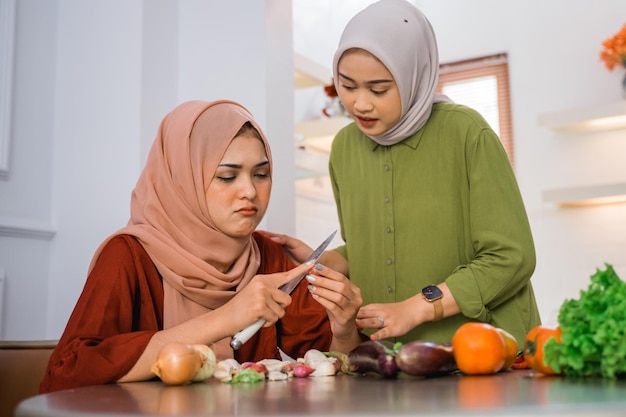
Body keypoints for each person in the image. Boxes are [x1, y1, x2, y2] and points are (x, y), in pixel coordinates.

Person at [40, 100, 364, 393]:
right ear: (182, 179)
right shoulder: (129, 255)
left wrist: (345, 328)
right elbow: (69, 371)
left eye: (261, 174)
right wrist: (226, 318)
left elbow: (332, 364)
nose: (249, 191)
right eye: (227, 176)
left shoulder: (268, 254)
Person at [267, 0, 540, 347]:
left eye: (378, 89)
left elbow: (511, 257)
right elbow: (372, 245)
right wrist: (323, 263)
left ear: (414, 76)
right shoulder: (345, 147)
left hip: (483, 350)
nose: (360, 104)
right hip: (391, 357)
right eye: (347, 87)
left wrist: (415, 308)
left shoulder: (467, 133)